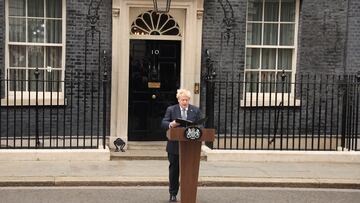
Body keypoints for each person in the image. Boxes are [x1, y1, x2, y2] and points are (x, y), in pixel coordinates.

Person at [161, 89, 202, 202]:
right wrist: (171, 124)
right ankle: (173, 194)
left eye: (187, 100)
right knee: (174, 171)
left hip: (191, 147)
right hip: (174, 147)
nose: (185, 102)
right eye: (182, 100)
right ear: (178, 99)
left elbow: (201, 125)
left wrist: (197, 128)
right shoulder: (171, 109)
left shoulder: (195, 110)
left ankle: (188, 194)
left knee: (189, 171)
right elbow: (163, 123)